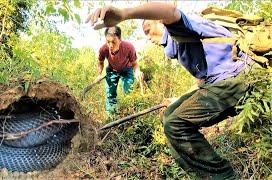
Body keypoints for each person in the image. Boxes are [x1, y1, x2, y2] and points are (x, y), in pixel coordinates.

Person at [86, 2, 256, 179]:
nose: (148, 37)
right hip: (220, 81)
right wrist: (178, 99)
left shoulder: (179, 28)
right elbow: (203, 80)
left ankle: (225, 178)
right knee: (170, 114)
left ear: (160, 22)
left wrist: (124, 14)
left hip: (237, 78)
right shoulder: (181, 43)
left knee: (175, 123)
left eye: (148, 30)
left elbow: (170, 11)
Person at [95, 26, 143, 114]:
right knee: (110, 94)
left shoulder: (129, 47)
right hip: (112, 70)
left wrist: (137, 71)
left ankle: (129, 113)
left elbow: (135, 64)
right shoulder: (103, 49)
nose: (110, 45)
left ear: (120, 39)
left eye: (114, 42)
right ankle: (111, 117)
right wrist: (99, 74)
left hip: (127, 69)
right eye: (108, 42)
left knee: (129, 92)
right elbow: (100, 62)